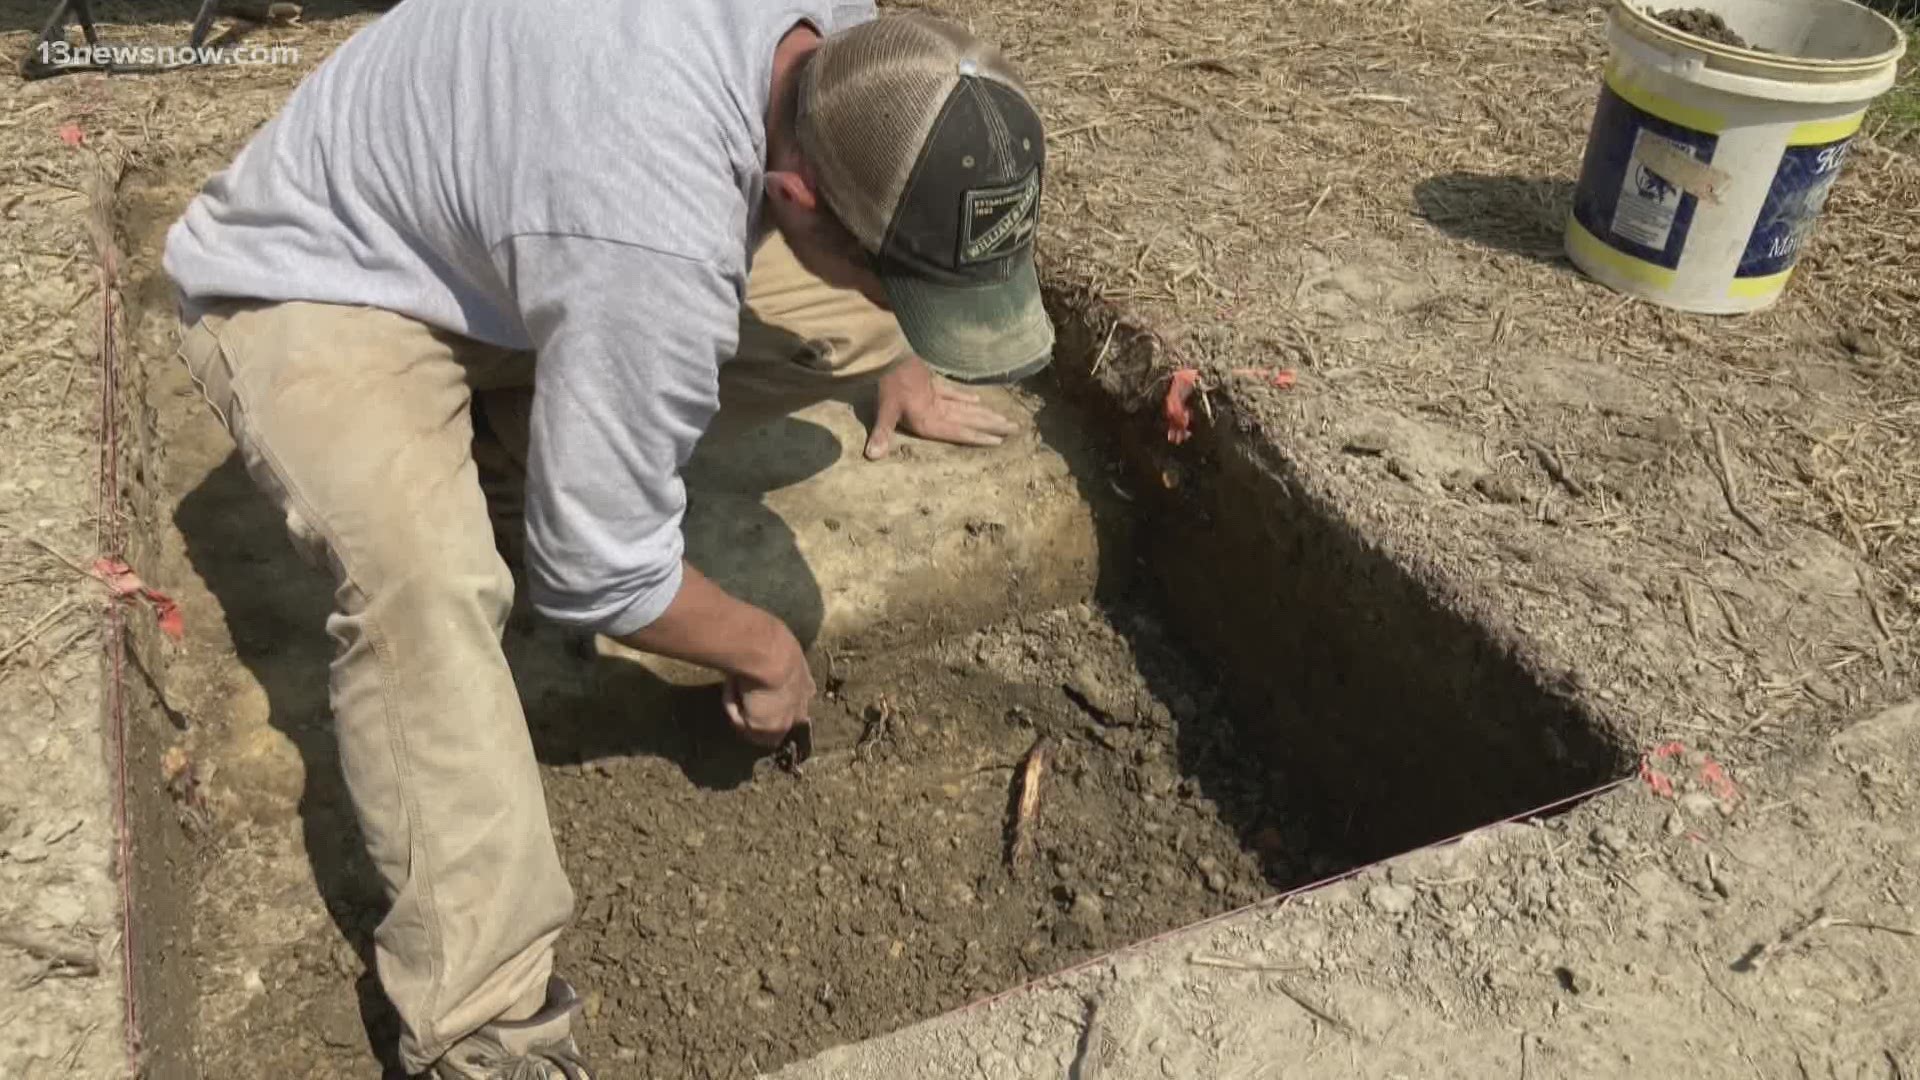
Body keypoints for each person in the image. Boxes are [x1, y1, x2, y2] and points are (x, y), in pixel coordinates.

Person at [161, 0, 1054, 1074]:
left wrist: (896, 348)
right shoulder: (649, 233)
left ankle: (507, 445)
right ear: (795, 198)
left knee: (842, 322)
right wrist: (766, 651)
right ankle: (484, 1025)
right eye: (892, 267)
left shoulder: (862, 53)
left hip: (508, 215)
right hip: (323, 276)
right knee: (428, 591)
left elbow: (797, 254)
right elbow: (600, 576)